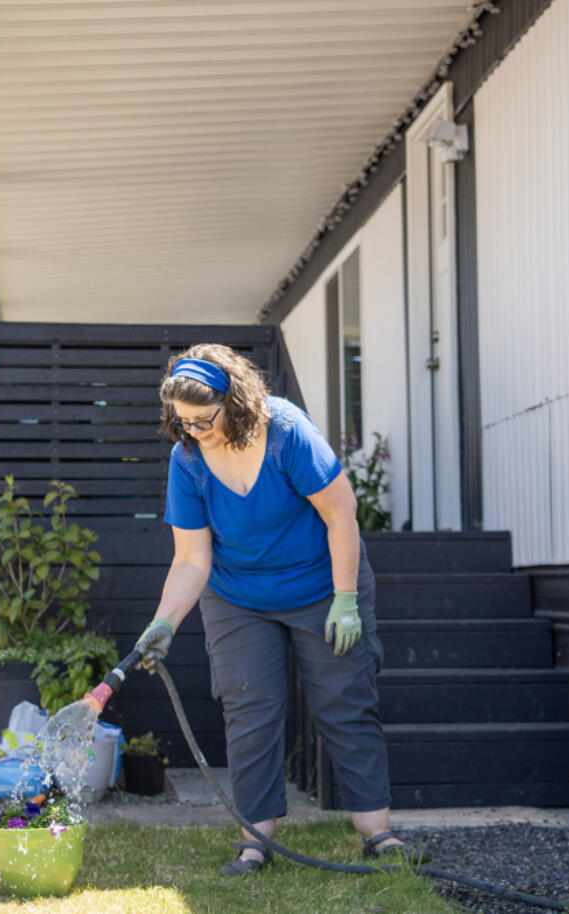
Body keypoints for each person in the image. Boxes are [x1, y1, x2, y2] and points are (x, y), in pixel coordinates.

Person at [134, 342, 430, 875]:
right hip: (238, 595)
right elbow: (191, 558)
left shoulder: (286, 432)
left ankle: (377, 833)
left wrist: (345, 599)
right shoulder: (189, 459)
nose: (193, 432)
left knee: (344, 701)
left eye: (204, 420)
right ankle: (255, 841)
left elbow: (343, 516)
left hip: (323, 584)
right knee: (249, 708)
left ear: (235, 402)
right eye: (183, 423)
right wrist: (164, 622)